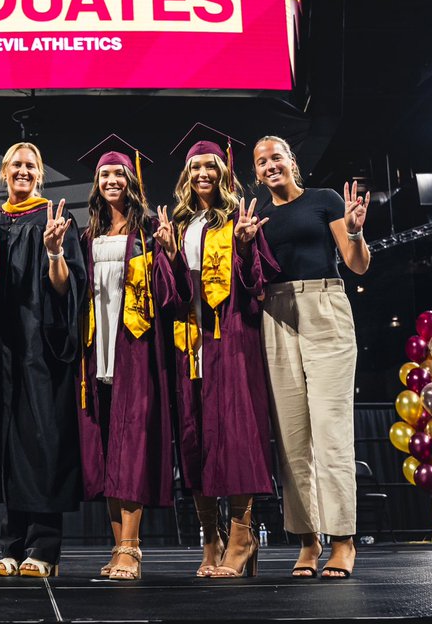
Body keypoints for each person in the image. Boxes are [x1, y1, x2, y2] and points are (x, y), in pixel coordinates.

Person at [252, 134, 369, 579]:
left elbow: (357, 265)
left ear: (291, 161)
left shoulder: (323, 200)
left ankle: (343, 540)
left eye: (276, 157)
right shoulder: (256, 212)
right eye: (261, 161)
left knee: (331, 430)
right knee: (291, 437)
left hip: (324, 307)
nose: (269, 165)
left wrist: (355, 231)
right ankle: (307, 539)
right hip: (275, 313)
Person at [75, 143, 185, 581]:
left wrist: (170, 254)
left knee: (132, 443)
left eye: (119, 174)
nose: (112, 181)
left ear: (132, 181)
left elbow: (171, 294)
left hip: (136, 347)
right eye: (104, 176)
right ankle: (117, 544)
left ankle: (133, 548)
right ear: (96, 186)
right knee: (104, 445)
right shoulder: (88, 234)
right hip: (95, 346)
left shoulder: (151, 229)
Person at [169, 133, 276, 579]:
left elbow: (260, 281)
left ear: (224, 172)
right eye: (195, 168)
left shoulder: (239, 219)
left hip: (230, 334)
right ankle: (209, 539)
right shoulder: (178, 225)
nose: (202, 174)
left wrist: (248, 244)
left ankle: (241, 534)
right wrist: (165, 254)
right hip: (188, 339)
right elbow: (169, 291)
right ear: (186, 177)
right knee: (195, 435)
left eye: (210, 166)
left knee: (235, 432)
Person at [0, 142, 88, 578]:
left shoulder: (55, 219)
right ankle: (11, 543)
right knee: (8, 440)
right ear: (3, 172)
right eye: (16, 165)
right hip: (2, 345)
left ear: (40, 173)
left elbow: (67, 290)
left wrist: (54, 252)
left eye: (31, 166)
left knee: (42, 440)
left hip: (42, 346)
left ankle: (44, 547)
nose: (23, 172)